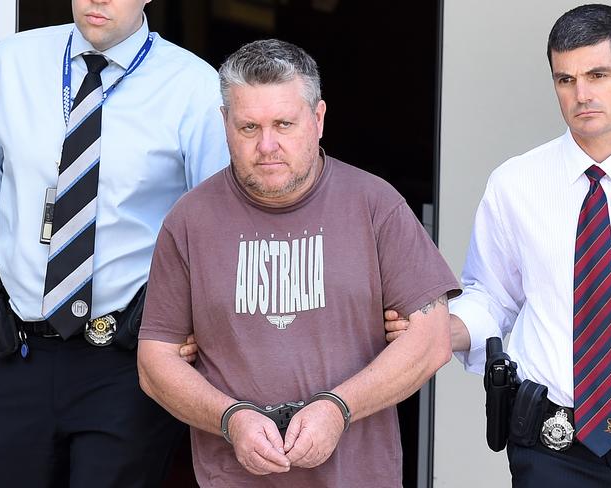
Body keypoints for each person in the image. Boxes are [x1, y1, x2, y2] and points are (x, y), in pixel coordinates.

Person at [137, 38, 459, 487]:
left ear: (319, 119)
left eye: (284, 124)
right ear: (224, 122)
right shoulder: (189, 221)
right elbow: (156, 362)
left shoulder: (374, 204)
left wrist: (338, 409)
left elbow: (431, 339)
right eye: (248, 127)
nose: (267, 145)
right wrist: (231, 419)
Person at [386, 4, 611, 487]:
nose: (581, 95)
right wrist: (440, 330)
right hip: (552, 446)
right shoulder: (516, 184)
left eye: (598, 74)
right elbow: (492, 297)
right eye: (565, 80)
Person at [0, 0, 228, 486]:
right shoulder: (10, 62)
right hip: (13, 356)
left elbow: (218, 235)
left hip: (125, 365)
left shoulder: (194, 87)